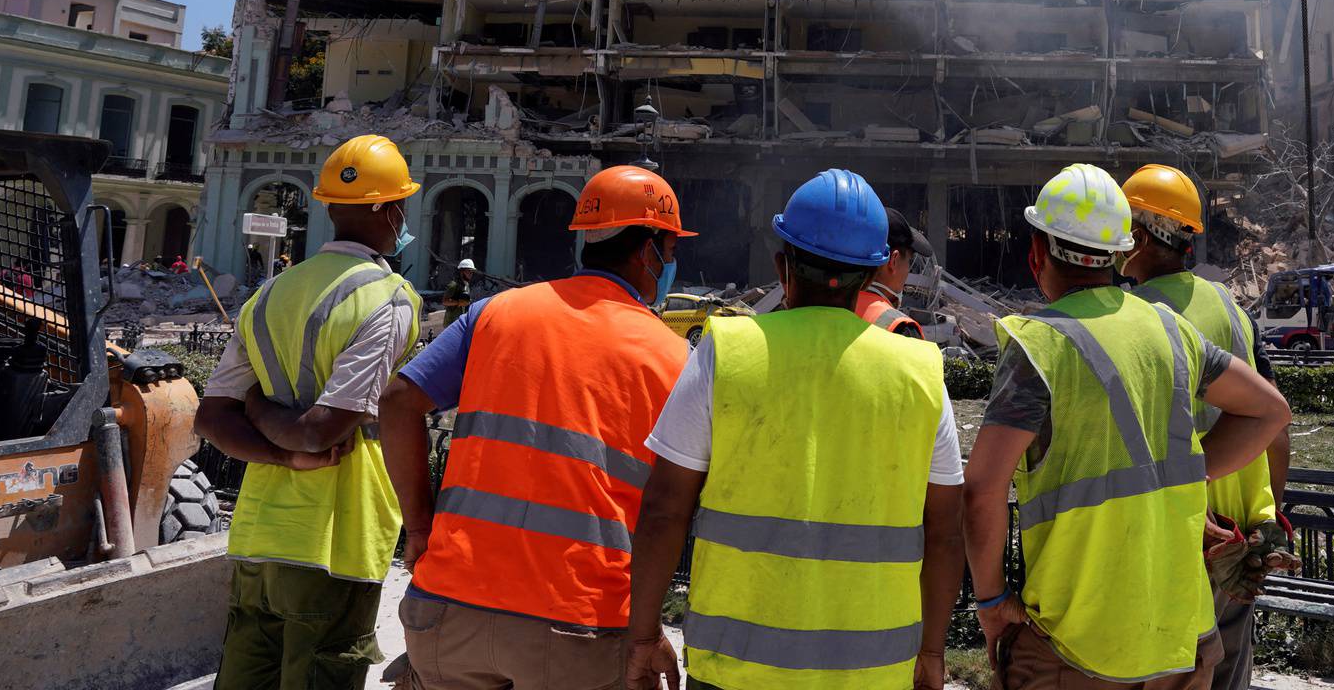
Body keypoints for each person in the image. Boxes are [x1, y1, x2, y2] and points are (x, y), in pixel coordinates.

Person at [626, 169, 965, 690]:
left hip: (736, 670)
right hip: (873, 673)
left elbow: (665, 508)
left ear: (782, 267)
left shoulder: (726, 352)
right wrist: (933, 651)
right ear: (876, 270)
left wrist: (645, 636)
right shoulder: (921, 371)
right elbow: (944, 534)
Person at [963, 163, 1292, 690]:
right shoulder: (1171, 329)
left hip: (1077, 643)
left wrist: (991, 601)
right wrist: (1189, 475)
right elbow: (1271, 411)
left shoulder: (1039, 346)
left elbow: (981, 489)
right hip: (1182, 637)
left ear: (1036, 254)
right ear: (1119, 252)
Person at [379, 164, 693, 690]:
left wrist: (418, 529)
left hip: (447, 613)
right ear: (649, 250)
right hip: (576, 625)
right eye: (672, 251)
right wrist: (646, 632)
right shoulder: (674, 358)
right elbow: (668, 511)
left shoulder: (494, 313)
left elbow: (396, 403)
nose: (671, 264)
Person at [194, 134, 425, 690]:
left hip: (259, 533)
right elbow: (321, 433)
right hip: (335, 537)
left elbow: (212, 417)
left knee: (246, 673)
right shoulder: (388, 299)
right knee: (324, 670)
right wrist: (292, 445)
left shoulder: (269, 294)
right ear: (392, 211)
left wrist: (263, 423)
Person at [1121, 164, 1297, 690]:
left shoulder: (1136, 319)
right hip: (1240, 537)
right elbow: (1276, 424)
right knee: (1227, 675)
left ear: (1136, 235)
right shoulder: (1232, 308)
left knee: (1173, 672)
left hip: (1185, 532)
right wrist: (1267, 521)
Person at [855, 208, 929, 337]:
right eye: (909, 261)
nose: (908, 271)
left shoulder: (824, 307)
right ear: (893, 261)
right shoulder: (901, 329)